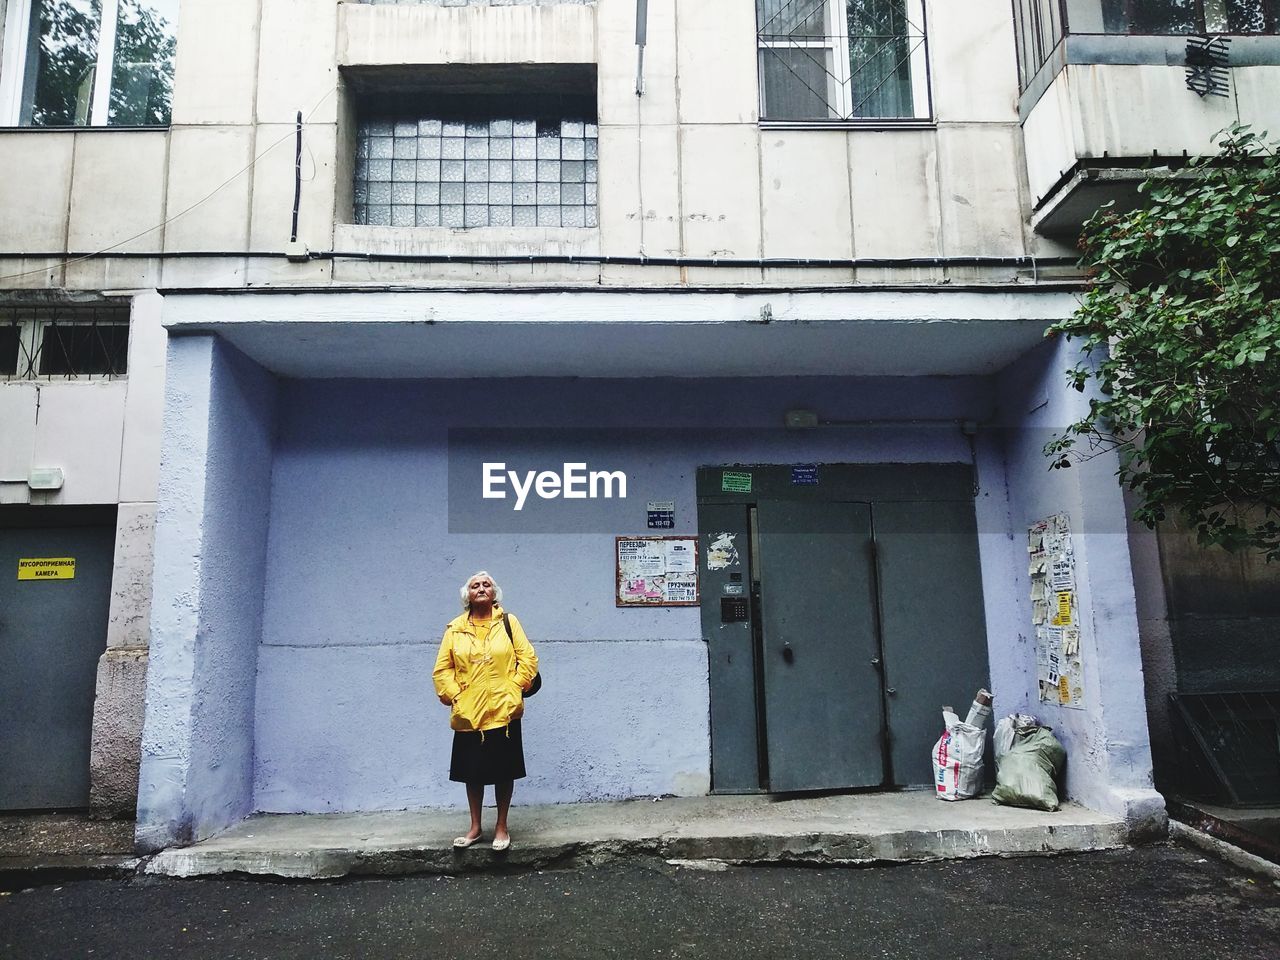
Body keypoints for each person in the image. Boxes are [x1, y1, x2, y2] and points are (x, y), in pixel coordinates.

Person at [432, 570, 538, 851]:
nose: (481, 588)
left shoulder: (508, 622)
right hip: (470, 713)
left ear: (495, 592)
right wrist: (456, 696)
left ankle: (501, 827)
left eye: (486, 584)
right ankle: (476, 827)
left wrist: (513, 687)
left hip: (503, 712)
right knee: (473, 772)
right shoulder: (454, 628)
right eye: (475, 585)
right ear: (467, 595)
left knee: (505, 771)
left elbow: (527, 658)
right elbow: (443, 669)